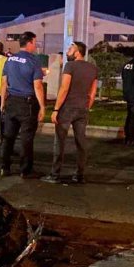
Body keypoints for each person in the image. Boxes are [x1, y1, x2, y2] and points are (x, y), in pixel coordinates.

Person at [42, 41, 98, 184]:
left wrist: (56, 109)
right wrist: (86, 107)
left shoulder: (70, 66)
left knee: (59, 142)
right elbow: (92, 93)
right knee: (81, 142)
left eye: (70, 49)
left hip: (67, 109)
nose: (67, 51)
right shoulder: (93, 68)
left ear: (77, 52)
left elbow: (64, 88)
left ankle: (55, 175)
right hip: (82, 109)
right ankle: (79, 175)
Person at [0, 32, 45, 178]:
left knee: (8, 136)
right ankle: (25, 170)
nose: (35, 45)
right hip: (27, 104)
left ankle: (4, 167)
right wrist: (43, 107)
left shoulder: (10, 59)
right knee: (26, 138)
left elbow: (3, 83)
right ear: (30, 43)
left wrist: (2, 102)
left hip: (11, 101)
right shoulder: (34, 61)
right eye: (35, 42)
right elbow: (37, 86)